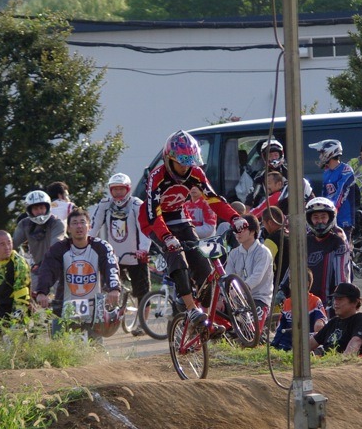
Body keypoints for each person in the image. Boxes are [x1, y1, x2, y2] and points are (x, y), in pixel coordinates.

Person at [139, 130, 248, 328]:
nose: (185, 167)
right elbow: (154, 215)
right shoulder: (157, 177)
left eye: (190, 161)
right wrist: (167, 237)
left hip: (179, 216)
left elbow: (214, 200)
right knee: (176, 255)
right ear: (169, 159)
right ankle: (190, 309)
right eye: (181, 162)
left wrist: (235, 217)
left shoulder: (196, 173)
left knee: (203, 265)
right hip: (154, 220)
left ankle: (206, 319)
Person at [34, 208, 121, 342]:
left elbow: (111, 267)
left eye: (82, 222)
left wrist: (114, 288)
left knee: (96, 349)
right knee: (59, 345)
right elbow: (47, 270)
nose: (79, 226)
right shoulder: (59, 249)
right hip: (65, 304)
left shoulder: (102, 247)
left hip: (94, 306)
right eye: (74, 223)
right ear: (68, 228)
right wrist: (41, 292)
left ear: (89, 226)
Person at [89, 173, 152, 328]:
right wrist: (87, 244)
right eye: (114, 189)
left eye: (121, 189)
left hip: (135, 256)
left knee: (143, 293)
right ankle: (104, 320)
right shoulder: (105, 204)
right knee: (106, 288)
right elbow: (94, 225)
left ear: (128, 189)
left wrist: (143, 249)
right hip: (113, 257)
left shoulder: (137, 204)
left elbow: (145, 229)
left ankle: (141, 325)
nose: (118, 193)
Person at [280, 197, 351, 313]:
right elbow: (293, 267)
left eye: (323, 217)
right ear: (309, 219)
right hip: (304, 303)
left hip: (328, 305)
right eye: (315, 218)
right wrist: (282, 289)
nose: (319, 221)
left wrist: (338, 299)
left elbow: (341, 276)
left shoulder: (338, 243)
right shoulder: (304, 242)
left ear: (330, 218)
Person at [225, 214, 274, 324]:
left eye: (241, 229)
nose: (238, 233)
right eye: (236, 230)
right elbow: (228, 276)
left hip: (259, 299)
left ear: (252, 231)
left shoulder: (263, 252)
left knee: (251, 331)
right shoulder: (233, 253)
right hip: (236, 298)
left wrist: (239, 289)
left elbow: (257, 277)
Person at [309, 282, 362, 356]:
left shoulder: (361, 319)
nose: (335, 302)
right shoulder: (333, 322)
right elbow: (311, 344)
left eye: (340, 299)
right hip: (329, 362)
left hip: (350, 365)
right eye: (335, 299)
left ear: (355, 302)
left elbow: (355, 343)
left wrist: (341, 361)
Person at [309, 139, 356, 242]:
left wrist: (332, 210)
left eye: (321, 153)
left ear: (329, 152)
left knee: (343, 248)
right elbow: (324, 196)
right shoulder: (327, 172)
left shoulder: (346, 170)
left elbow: (341, 193)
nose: (320, 156)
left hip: (344, 218)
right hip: (330, 218)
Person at [12, 190, 67, 276]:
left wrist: (41, 264)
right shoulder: (24, 224)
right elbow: (13, 244)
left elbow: (55, 247)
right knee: (33, 287)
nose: (39, 211)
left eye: (42, 208)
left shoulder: (57, 223)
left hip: (59, 267)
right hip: (38, 269)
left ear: (48, 207)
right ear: (29, 210)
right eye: (35, 208)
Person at [272, 269, 327, 352]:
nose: (291, 285)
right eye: (290, 281)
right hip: (287, 343)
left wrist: (319, 323)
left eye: (295, 281)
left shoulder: (315, 301)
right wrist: (274, 344)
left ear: (307, 284)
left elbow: (321, 321)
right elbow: (280, 327)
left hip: (308, 342)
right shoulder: (287, 302)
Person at [260, 206, 289, 295]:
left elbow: (261, 265)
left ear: (270, 223)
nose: (263, 226)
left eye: (263, 223)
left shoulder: (272, 239)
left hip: (277, 289)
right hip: (290, 287)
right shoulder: (290, 235)